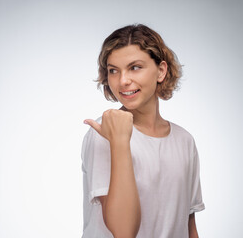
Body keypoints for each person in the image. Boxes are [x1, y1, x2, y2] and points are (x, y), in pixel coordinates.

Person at [81, 24, 205, 238]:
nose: (123, 81)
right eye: (113, 70)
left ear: (161, 71)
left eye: (135, 67)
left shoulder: (184, 141)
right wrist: (119, 141)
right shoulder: (104, 133)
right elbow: (123, 231)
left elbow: (188, 225)